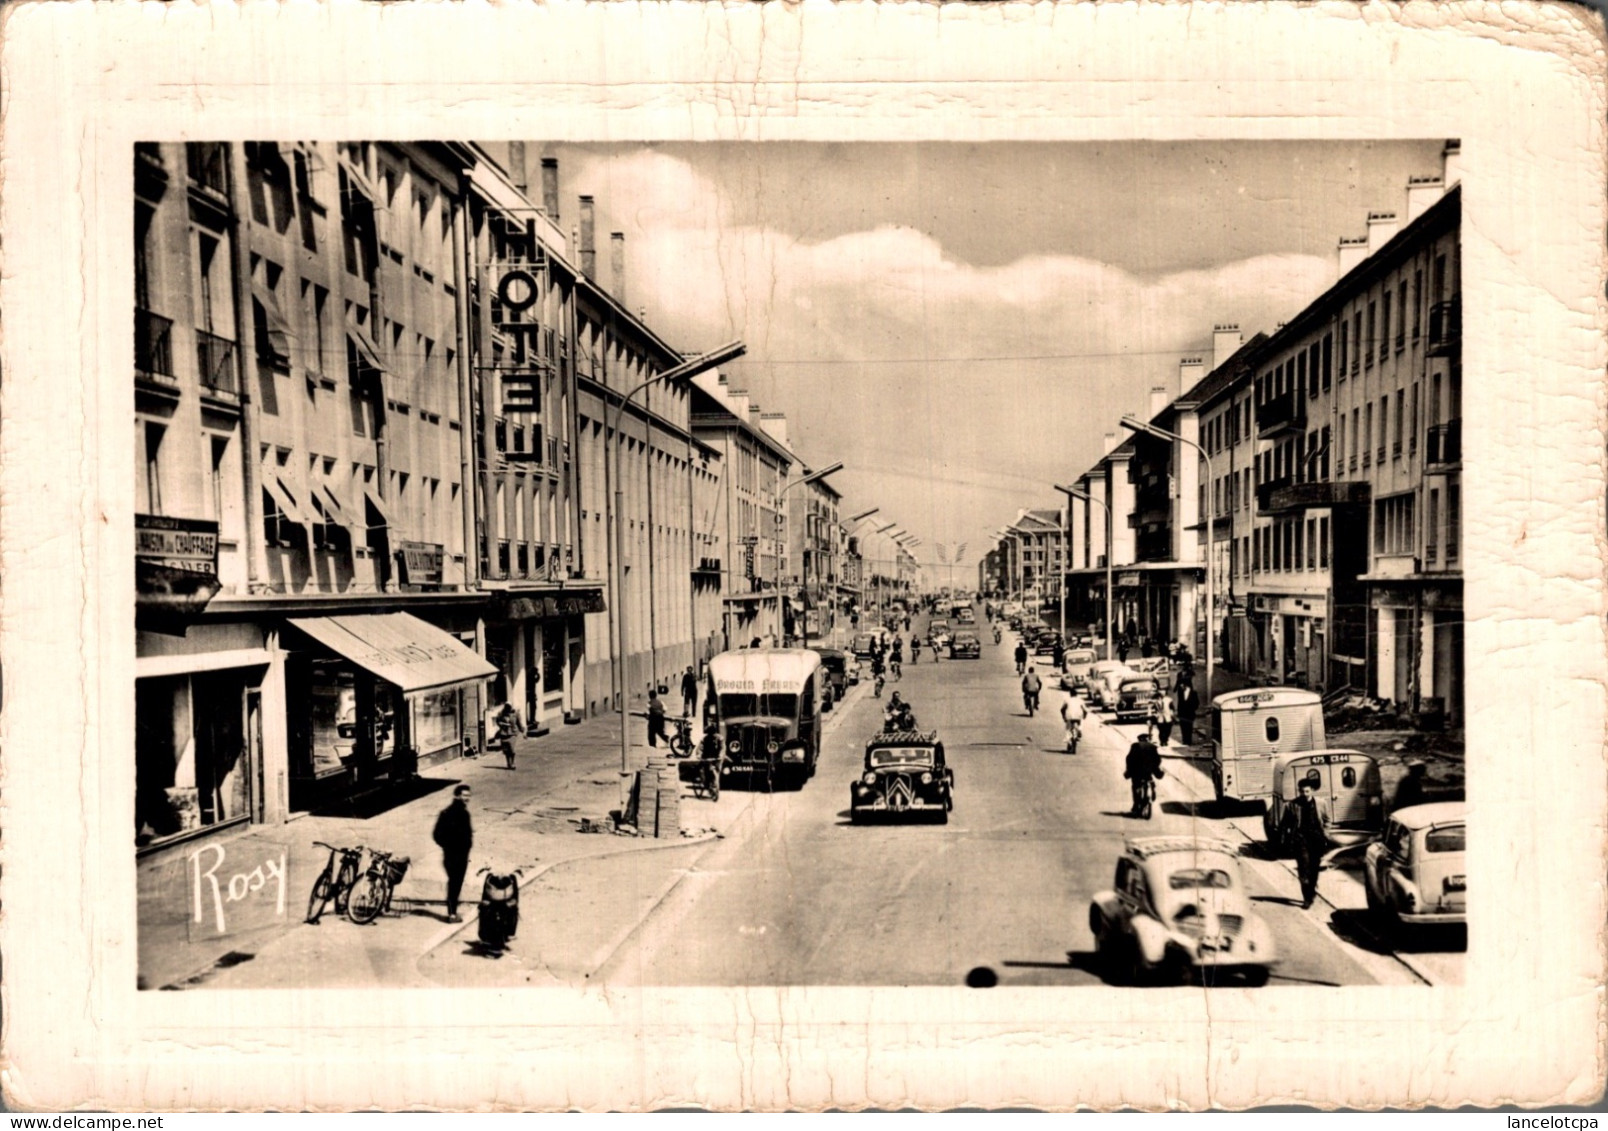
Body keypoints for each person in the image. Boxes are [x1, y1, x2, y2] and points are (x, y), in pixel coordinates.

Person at [1279, 777, 1332, 908]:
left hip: (1317, 841)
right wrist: (1287, 838)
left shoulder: (1321, 803)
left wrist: (1326, 833)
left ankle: (1312, 890)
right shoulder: (1292, 805)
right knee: (1303, 869)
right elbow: (1284, 824)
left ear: (1312, 791)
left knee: (1314, 869)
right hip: (1300, 841)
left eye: (1307, 791)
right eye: (1302, 791)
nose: (1304, 794)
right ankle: (1307, 898)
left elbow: (1327, 820)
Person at [432, 784, 474, 923]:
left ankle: (452, 912)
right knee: (455, 883)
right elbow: (437, 834)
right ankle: (452, 914)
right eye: (464, 795)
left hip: (450, 854)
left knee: (454, 882)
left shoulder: (446, 812)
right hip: (458, 855)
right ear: (457, 796)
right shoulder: (461, 814)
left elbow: (437, 835)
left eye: (468, 796)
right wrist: (453, 846)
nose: (467, 798)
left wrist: (446, 846)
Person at [1124, 733, 1163, 817]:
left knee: (1135, 786)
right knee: (1150, 781)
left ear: (1140, 739)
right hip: (1147, 772)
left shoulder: (1135, 746)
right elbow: (1157, 760)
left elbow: (1129, 758)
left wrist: (1128, 770)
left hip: (1137, 772)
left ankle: (1136, 804)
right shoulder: (1153, 747)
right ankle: (1152, 792)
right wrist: (1157, 771)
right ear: (1147, 739)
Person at [494, 703, 521, 770]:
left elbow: (519, 723)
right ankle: (509, 763)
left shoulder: (515, 714)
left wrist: (523, 732)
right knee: (506, 750)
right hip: (504, 733)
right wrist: (503, 724)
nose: (509, 709)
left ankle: (513, 762)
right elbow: (498, 721)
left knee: (512, 750)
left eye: (510, 707)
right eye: (507, 707)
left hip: (512, 733)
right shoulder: (501, 713)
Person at [1174, 680, 1200, 746]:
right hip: (1182, 714)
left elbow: (1197, 703)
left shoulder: (1193, 693)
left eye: (1182, 685)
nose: (1181, 686)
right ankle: (1184, 740)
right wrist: (1178, 712)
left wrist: (1192, 709)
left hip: (1190, 714)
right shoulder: (1180, 692)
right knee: (1183, 727)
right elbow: (1179, 703)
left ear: (1186, 685)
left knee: (1189, 727)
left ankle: (1189, 741)